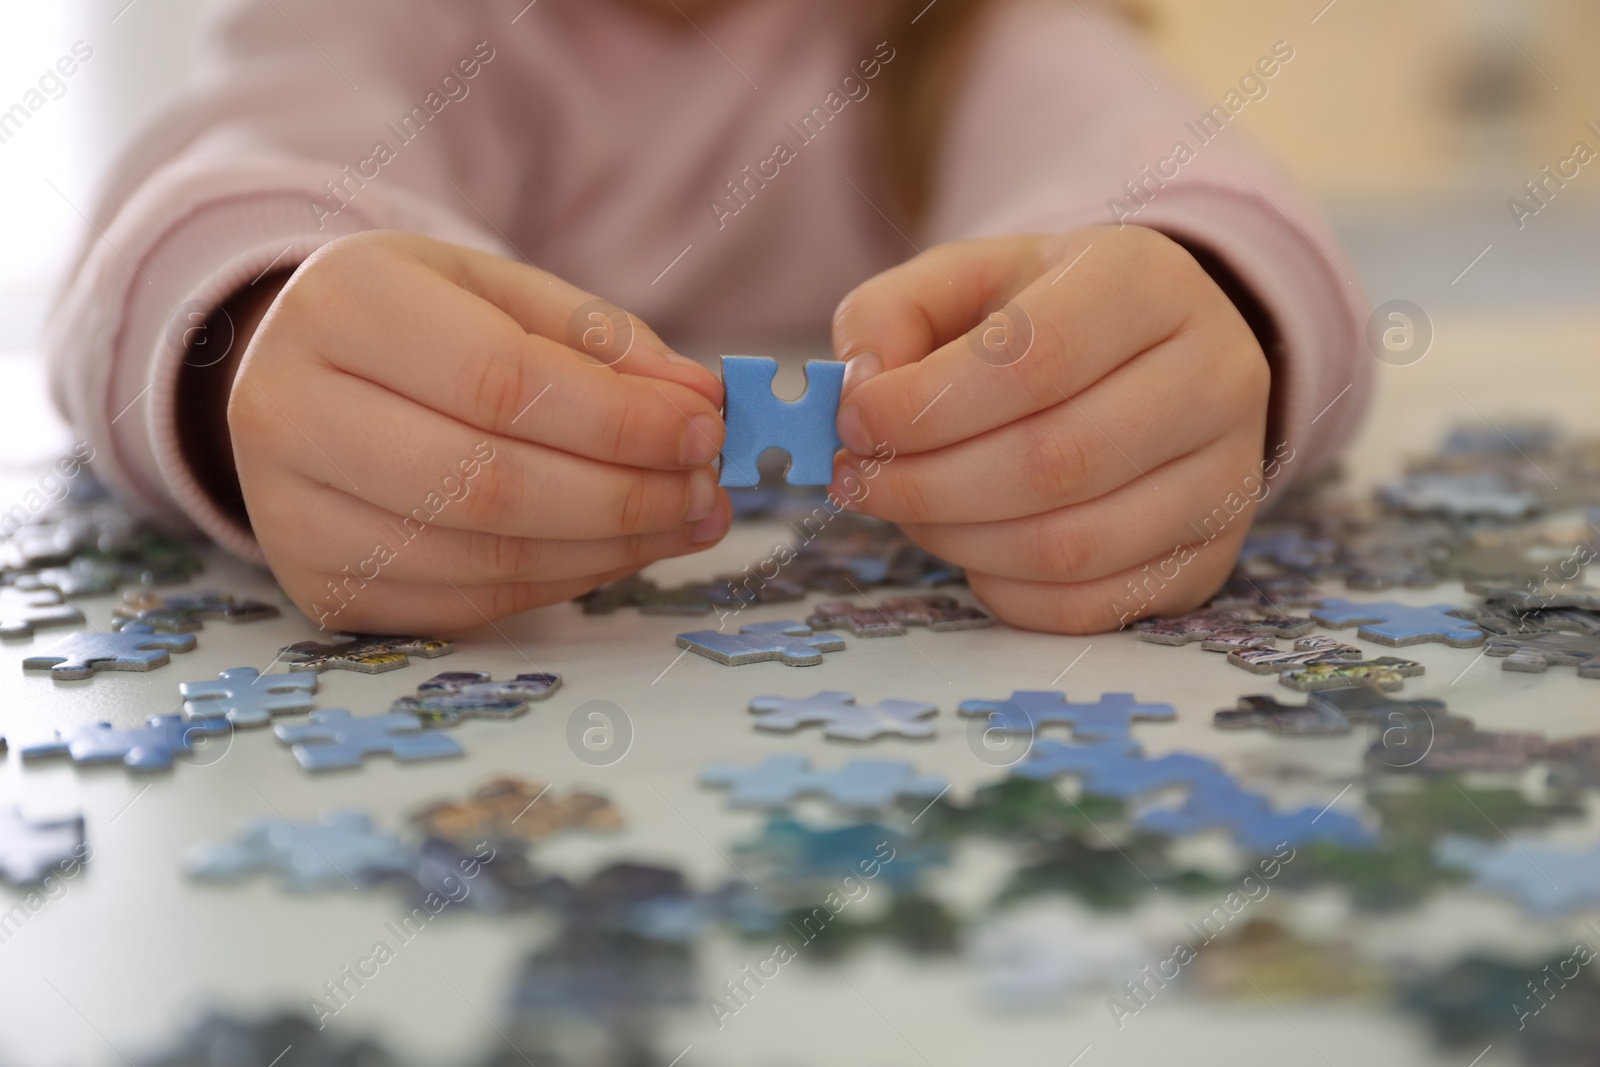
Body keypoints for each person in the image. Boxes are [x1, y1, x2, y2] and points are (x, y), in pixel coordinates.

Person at [45, 0, 1368, 635]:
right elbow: (184, 219)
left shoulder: (986, 30)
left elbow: (1202, 197)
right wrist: (248, 347)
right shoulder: (394, 23)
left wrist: (1209, 308)